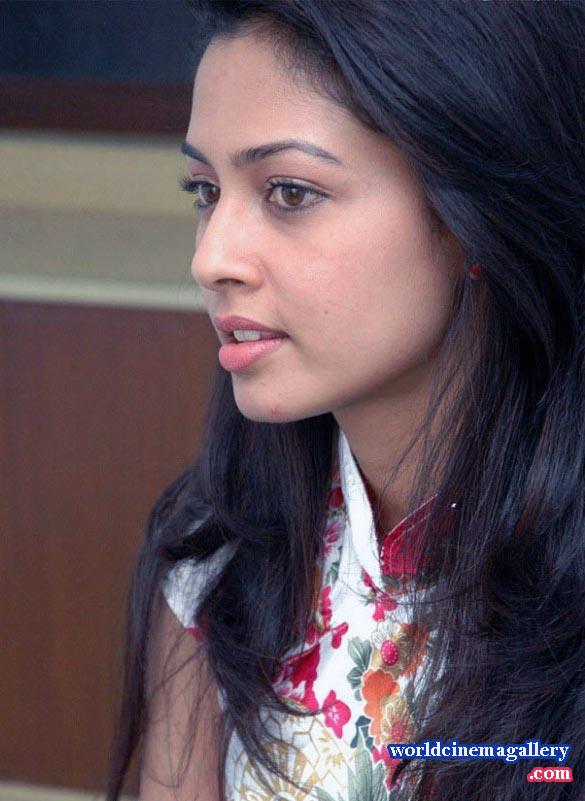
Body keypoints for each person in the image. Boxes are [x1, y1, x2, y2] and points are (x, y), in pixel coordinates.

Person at [105, 2, 585, 800]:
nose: (212, 257)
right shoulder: (223, 565)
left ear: (471, 216)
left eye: (289, 192)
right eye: (205, 190)